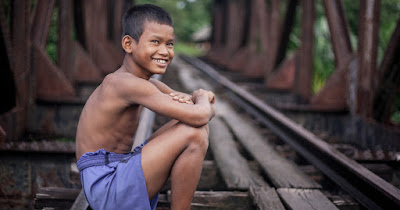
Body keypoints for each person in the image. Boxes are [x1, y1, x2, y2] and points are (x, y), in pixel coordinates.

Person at [75, 4, 215, 210]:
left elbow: (199, 109)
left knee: (195, 128)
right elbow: (201, 113)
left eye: (170, 44)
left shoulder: (147, 84)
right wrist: (202, 97)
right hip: (106, 186)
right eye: (155, 42)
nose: (164, 51)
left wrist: (201, 102)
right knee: (194, 132)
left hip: (115, 175)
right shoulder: (124, 83)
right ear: (128, 44)